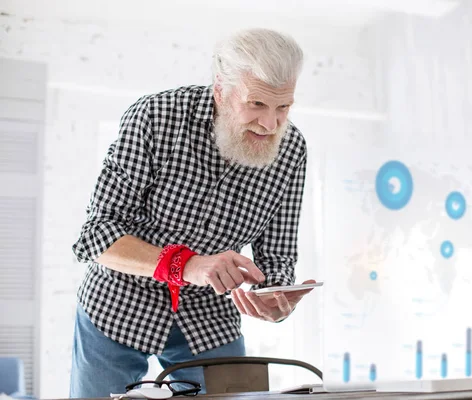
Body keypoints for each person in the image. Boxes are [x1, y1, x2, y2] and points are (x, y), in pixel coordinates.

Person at [69, 28, 315, 397]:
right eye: (257, 104)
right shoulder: (155, 117)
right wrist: (189, 265)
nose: (270, 124)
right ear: (220, 91)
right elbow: (96, 235)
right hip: (117, 302)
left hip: (209, 317)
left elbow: (277, 256)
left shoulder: (291, 150)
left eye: (284, 107)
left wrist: (274, 300)